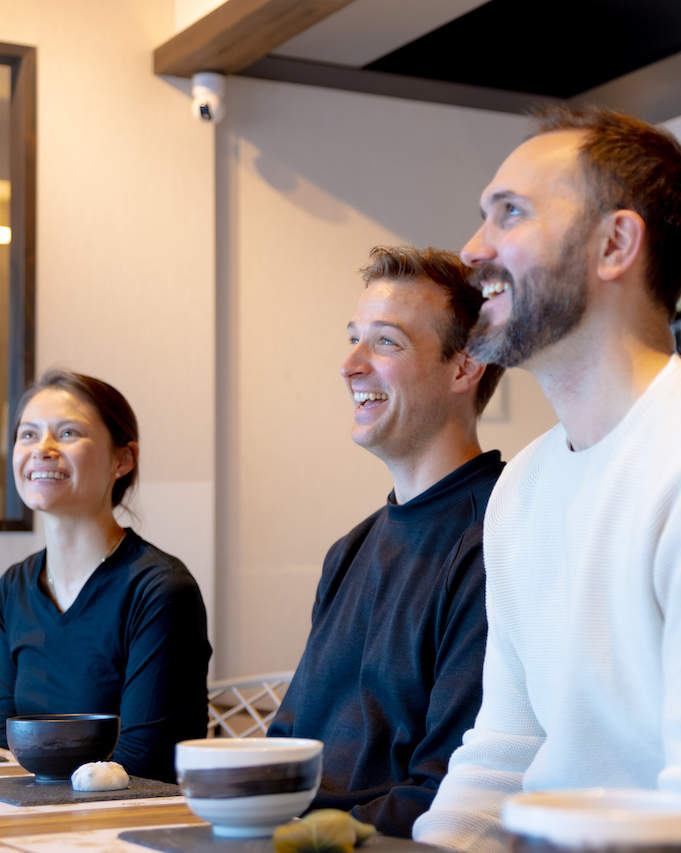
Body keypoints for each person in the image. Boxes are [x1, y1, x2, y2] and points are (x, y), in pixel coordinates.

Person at [413, 107, 681, 853]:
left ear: (615, 245)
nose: (472, 249)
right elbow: (503, 749)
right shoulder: (522, 486)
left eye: (510, 213)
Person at [268, 246, 506, 837]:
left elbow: (447, 790)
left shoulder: (502, 538)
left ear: (464, 367)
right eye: (354, 338)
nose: (349, 365)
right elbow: (284, 748)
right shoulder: (349, 550)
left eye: (385, 343)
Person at [0, 370, 211, 783]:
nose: (43, 449)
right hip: (34, 809)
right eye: (28, 435)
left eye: (68, 433)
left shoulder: (160, 589)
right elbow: (8, 741)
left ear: (122, 460)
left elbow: (145, 763)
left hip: (129, 814)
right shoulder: (14, 587)